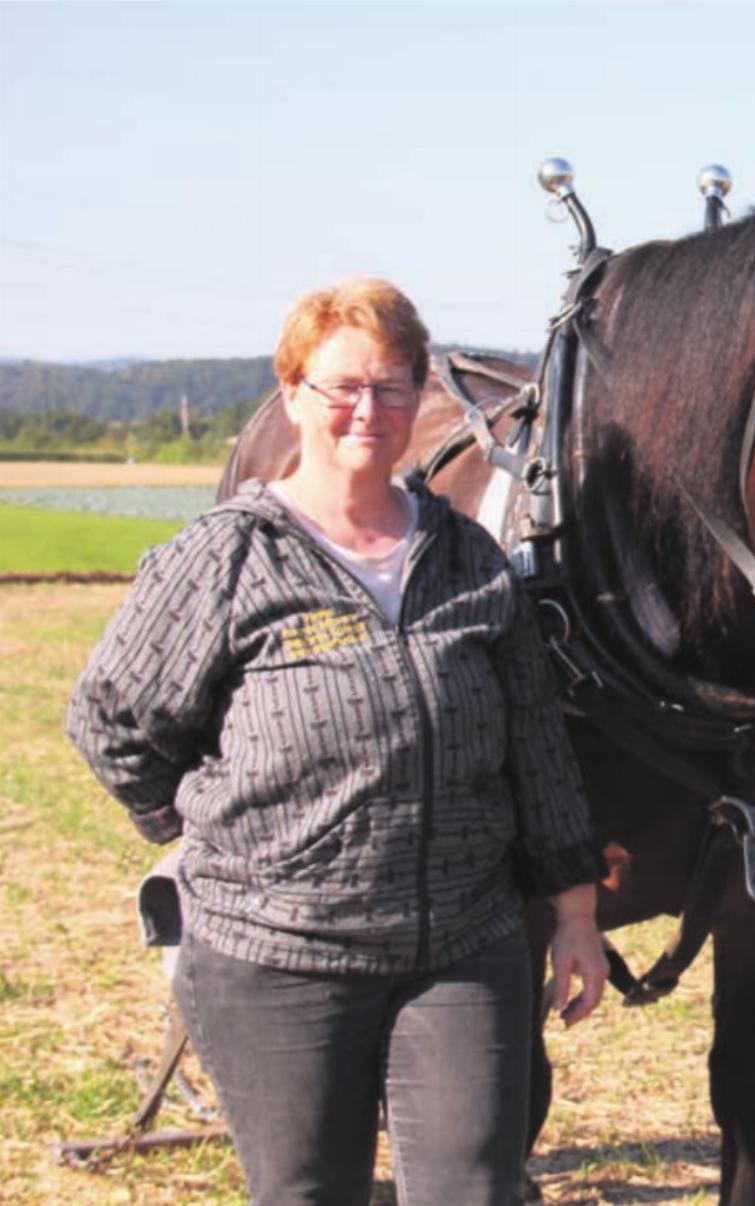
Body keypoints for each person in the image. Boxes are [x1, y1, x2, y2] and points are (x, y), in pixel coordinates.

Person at [67, 276, 609, 1205]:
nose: (371, 409)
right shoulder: (229, 557)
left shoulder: (467, 557)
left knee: (477, 1189)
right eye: (343, 387)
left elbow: (537, 749)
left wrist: (574, 915)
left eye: (394, 386)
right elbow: (110, 719)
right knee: (312, 1191)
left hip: (462, 946)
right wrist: (198, 822)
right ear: (294, 397)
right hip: (278, 957)